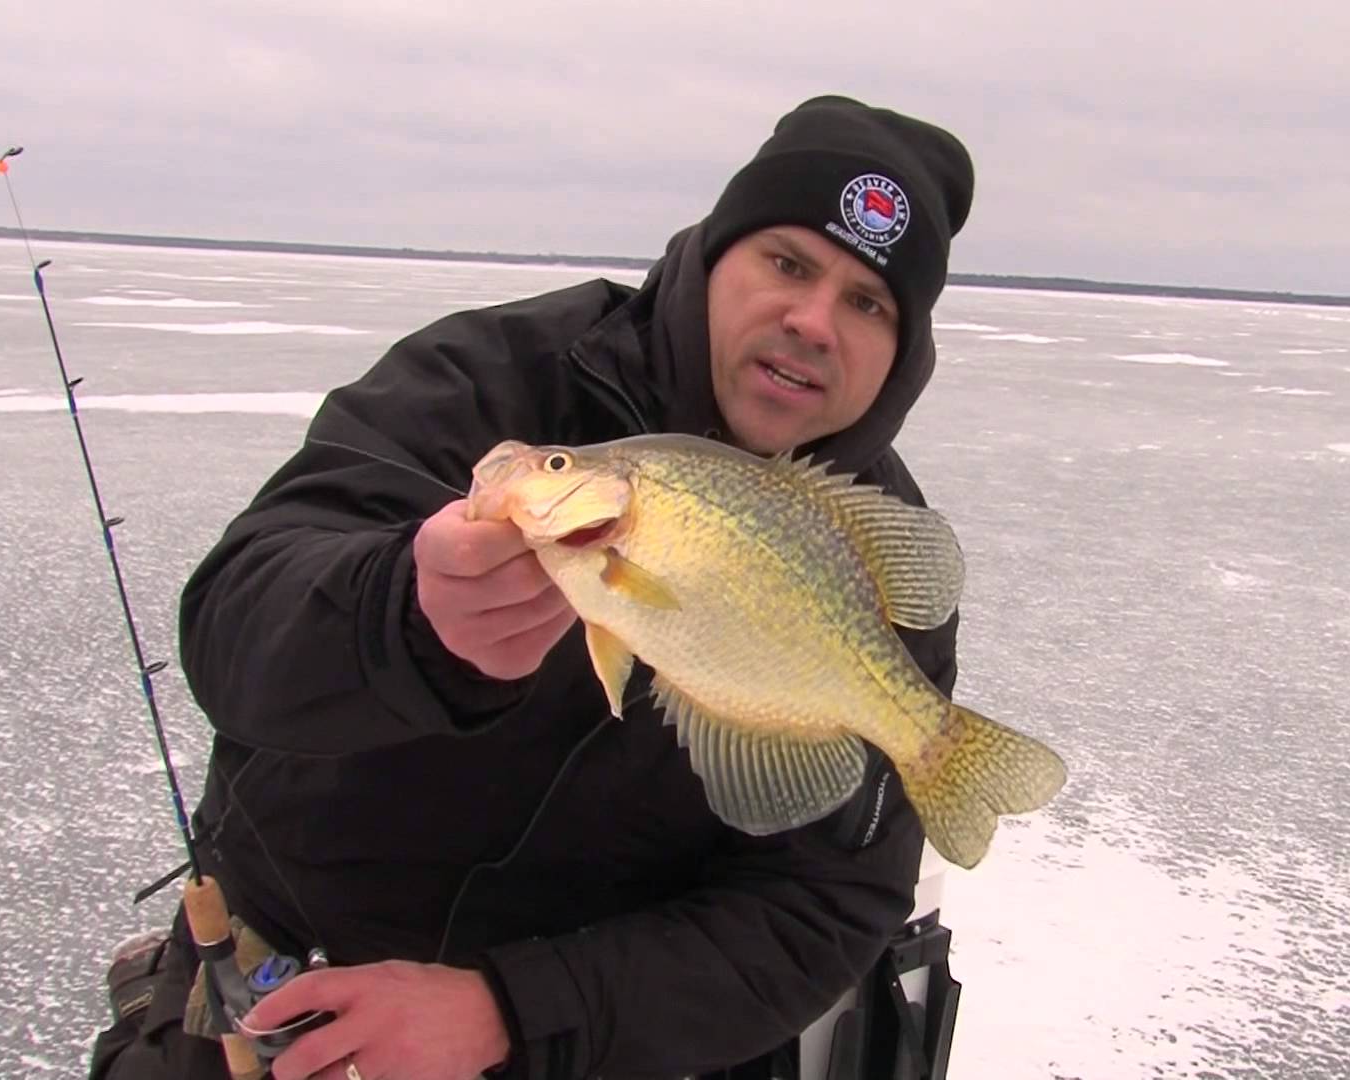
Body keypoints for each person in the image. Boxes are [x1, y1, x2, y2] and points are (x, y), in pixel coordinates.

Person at [88, 93, 977, 1080]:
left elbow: (822, 907)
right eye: (788, 263)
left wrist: (509, 1013)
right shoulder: (491, 386)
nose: (812, 320)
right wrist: (405, 615)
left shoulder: (863, 547)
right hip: (281, 1006)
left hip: (566, 1047)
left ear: (903, 354)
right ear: (714, 257)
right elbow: (230, 624)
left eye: (868, 303)